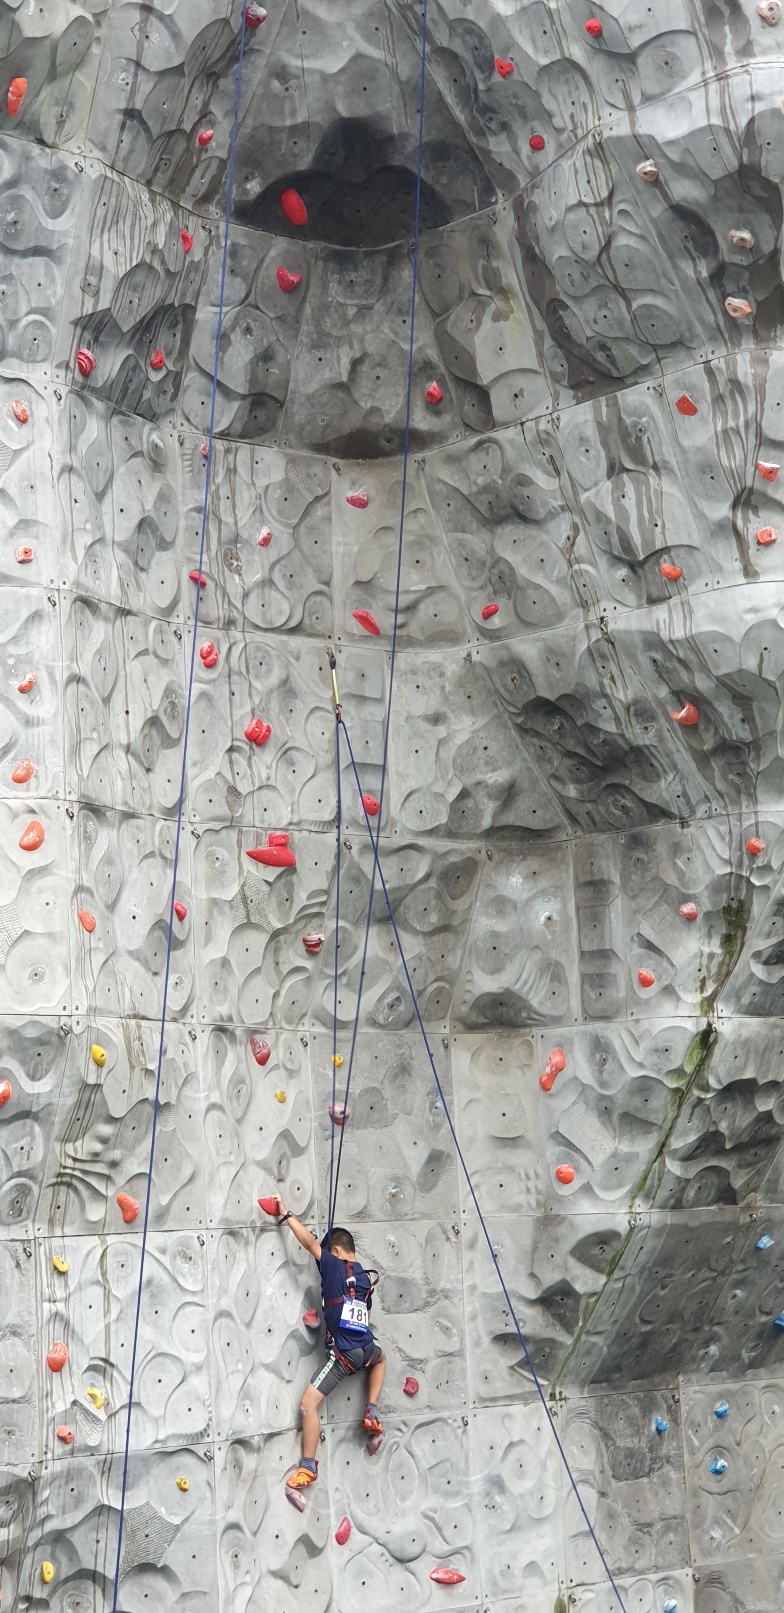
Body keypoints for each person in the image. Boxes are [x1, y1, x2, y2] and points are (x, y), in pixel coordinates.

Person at [274, 1196, 386, 1491]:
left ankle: (307, 1467)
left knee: (307, 1405)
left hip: (344, 1357)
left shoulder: (334, 1265)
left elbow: (309, 1243)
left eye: (326, 1256)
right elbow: (365, 1316)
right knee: (382, 1358)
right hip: (367, 1349)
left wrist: (286, 1214)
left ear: (335, 1251)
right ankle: (371, 1409)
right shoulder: (365, 1280)